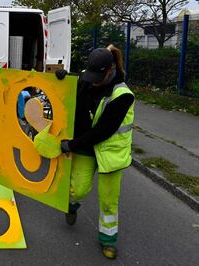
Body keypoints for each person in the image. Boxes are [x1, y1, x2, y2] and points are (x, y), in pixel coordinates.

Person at [56, 45, 135, 260]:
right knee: (78, 190)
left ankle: (108, 240)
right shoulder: (87, 77)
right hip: (85, 147)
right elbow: (74, 83)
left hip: (110, 152)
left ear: (110, 70)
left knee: (109, 200)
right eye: (90, 75)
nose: (93, 81)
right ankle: (72, 207)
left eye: (98, 77)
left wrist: (71, 145)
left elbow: (103, 131)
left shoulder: (122, 95)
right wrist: (62, 79)